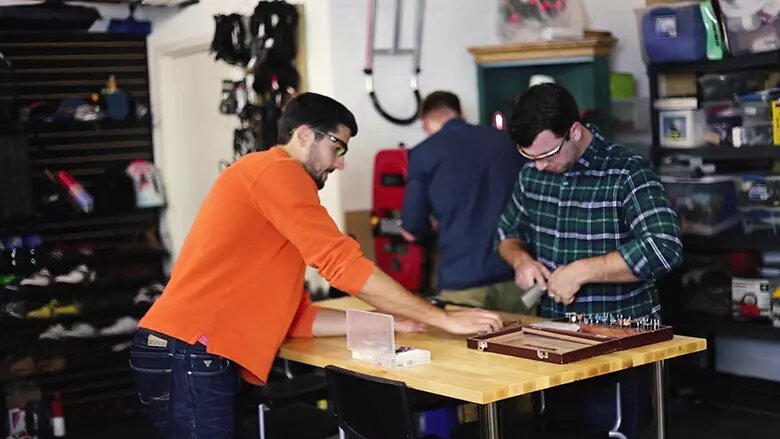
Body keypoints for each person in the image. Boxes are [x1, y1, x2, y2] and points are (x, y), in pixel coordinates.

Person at [131, 93, 502, 439]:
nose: (340, 162)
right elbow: (341, 265)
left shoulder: (273, 185)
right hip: (189, 353)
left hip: (191, 355)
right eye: (337, 147)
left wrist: (392, 322)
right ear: (306, 136)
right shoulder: (277, 171)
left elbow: (298, 319)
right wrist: (444, 319)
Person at [496, 83, 683, 436]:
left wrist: (581, 272)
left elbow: (664, 247)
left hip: (621, 344)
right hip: (553, 342)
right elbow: (506, 233)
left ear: (575, 132)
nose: (539, 167)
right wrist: (520, 260)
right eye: (529, 157)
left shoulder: (627, 173)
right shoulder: (531, 177)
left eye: (548, 154)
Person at [401, 91, 529, 312]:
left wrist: (421, 228)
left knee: (465, 346)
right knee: (519, 343)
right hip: (516, 274)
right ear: (459, 113)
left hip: (462, 278)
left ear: (425, 122)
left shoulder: (424, 153)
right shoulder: (506, 142)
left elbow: (413, 224)